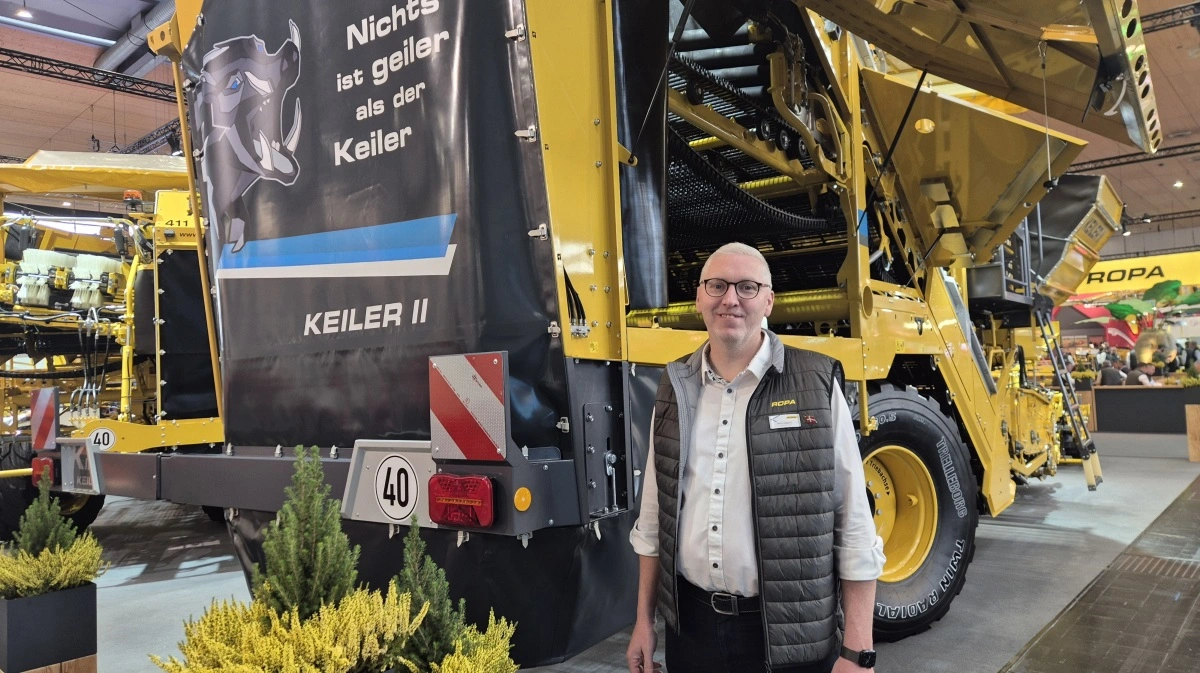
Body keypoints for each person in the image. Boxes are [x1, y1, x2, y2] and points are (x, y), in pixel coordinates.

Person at [626, 242, 884, 673]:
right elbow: (655, 518)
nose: (730, 299)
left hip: (789, 637)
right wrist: (644, 621)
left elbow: (853, 521)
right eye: (717, 285)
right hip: (691, 633)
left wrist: (858, 651)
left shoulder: (816, 385)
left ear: (768, 300)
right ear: (699, 298)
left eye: (747, 287)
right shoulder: (675, 388)